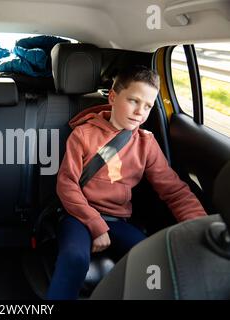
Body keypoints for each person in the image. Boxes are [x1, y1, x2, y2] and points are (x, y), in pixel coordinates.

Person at [46, 65, 207, 300]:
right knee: (75, 257)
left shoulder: (146, 143)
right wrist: (96, 225)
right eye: (133, 101)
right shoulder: (83, 135)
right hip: (78, 216)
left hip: (117, 220)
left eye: (148, 106)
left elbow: (174, 190)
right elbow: (67, 184)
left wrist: (200, 227)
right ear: (112, 96)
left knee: (151, 261)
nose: (140, 112)